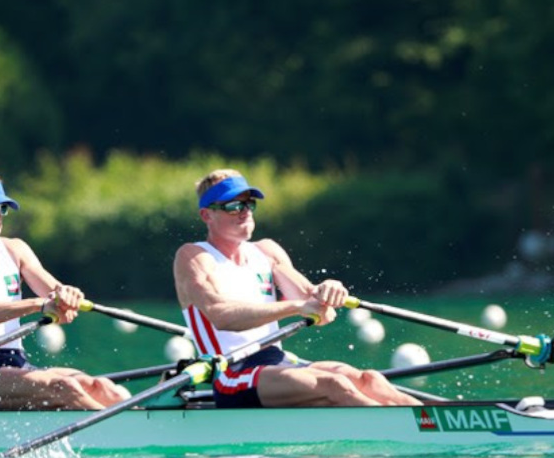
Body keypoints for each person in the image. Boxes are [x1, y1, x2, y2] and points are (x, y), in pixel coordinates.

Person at [173, 169, 423, 408]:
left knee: (368, 379)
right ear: (207, 215)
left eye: (249, 204)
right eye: (233, 206)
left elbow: (318, 310)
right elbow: (222, 316)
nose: (245, 212)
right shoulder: (193, 256)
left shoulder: (267, 251)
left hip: (277, 361)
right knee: (335, 385)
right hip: (231, 372)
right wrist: (297, 306)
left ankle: (441, 422)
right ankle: (409, 433)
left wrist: (328, 291)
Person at [0, 169, 129, 411]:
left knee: (101, 387)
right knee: (64, 387)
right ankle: (127, 437)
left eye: (2, 209)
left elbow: (54, 293)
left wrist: (67, 296)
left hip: (15, 365)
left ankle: (140, 430)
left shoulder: (15, 249)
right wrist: (37, 305)